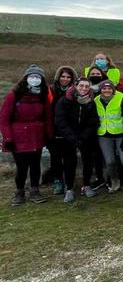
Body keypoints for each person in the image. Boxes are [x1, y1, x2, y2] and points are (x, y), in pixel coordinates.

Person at [1, 65, 53, 205]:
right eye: (32, 77)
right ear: (26, 78)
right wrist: (8, 138)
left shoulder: (42, 95)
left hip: (37, 134)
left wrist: (48, 135)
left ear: (42, 80)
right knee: (21, 167)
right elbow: (4, 119)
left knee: (35, 165)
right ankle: (19, 192)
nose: (34, 79)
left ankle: (35, 190)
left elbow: (47, 117)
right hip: (18, 136)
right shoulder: (14, 95)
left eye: (38, 77)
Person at [54, 77, 99, 202]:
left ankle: (87, 185)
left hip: (85, 136)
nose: (84, 88)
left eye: (86, 86)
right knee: (69, 162)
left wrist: (85, 135)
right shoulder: (64, 100)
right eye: (81, 86)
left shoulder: (91, 101)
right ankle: (69, 189)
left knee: (88, 161)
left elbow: (93, 120)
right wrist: (71, 136)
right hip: (68, 137)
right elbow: (60, 120)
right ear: (75, 86)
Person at [95, 80, 123, 193]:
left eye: (109, 88)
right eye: (104, 88)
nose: (107, 90)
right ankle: (115, 182)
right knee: (109, 161)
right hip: (103, 135)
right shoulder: (95, 100)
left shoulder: (121, 98)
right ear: (100, 90)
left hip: (120, 133)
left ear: (113, 89)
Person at [46, 65, 78, 194]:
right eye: (63, 76)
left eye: (68, 77)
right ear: (58, 77)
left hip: (70, 129)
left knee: (70, 158)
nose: (65, 79)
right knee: (55, 158)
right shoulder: (50, 90)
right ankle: (58, 180)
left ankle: (70, 182)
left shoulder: (76, 91)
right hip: (53, 129)